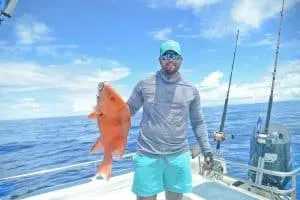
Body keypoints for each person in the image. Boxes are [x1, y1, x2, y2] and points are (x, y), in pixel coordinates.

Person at [126, 40, 213, 200]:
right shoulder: (144, 85)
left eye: (174, 55)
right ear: (160, 59)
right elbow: (126, 113)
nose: (170, 59)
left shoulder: (191, 90)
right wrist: (105, 104)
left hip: (178, 156)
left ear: (181, 59)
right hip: (148, 155)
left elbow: (198, 122)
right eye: (166, 55)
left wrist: (207, 151)